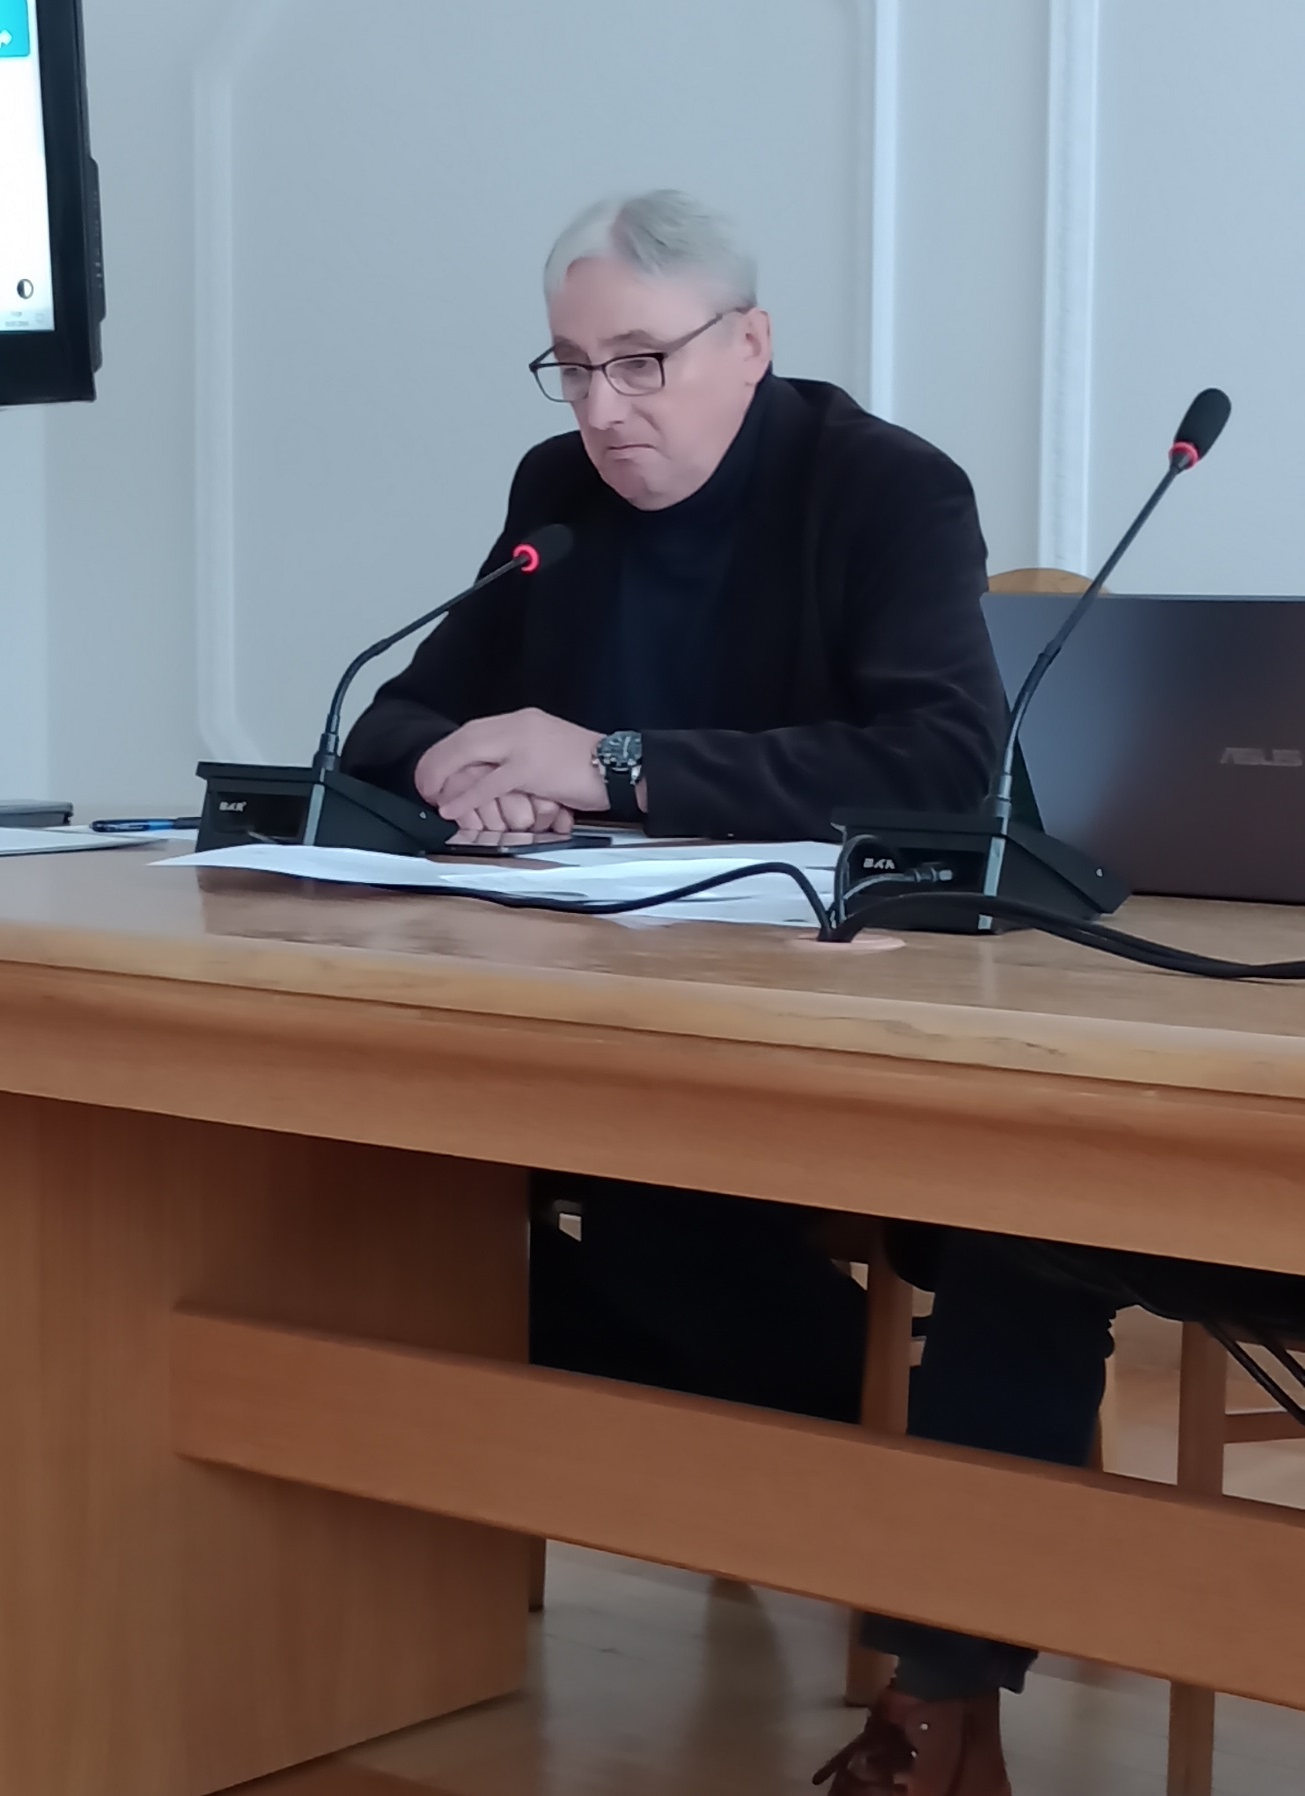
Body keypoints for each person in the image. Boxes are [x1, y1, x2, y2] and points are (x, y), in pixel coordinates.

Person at [343, 190, 1117, 1796]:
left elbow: (938, 762)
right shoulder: (558, 493)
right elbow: (394, 712)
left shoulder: (884, 488)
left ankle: (933, 1592)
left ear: (750, 343)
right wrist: (472, 769)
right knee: (412, 1206)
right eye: (571, 368)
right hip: (627, 1002)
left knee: (967, 1229)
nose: (603, 408)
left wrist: (610, 765)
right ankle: (913, 1487)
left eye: (641, 361)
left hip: (874, 1007)